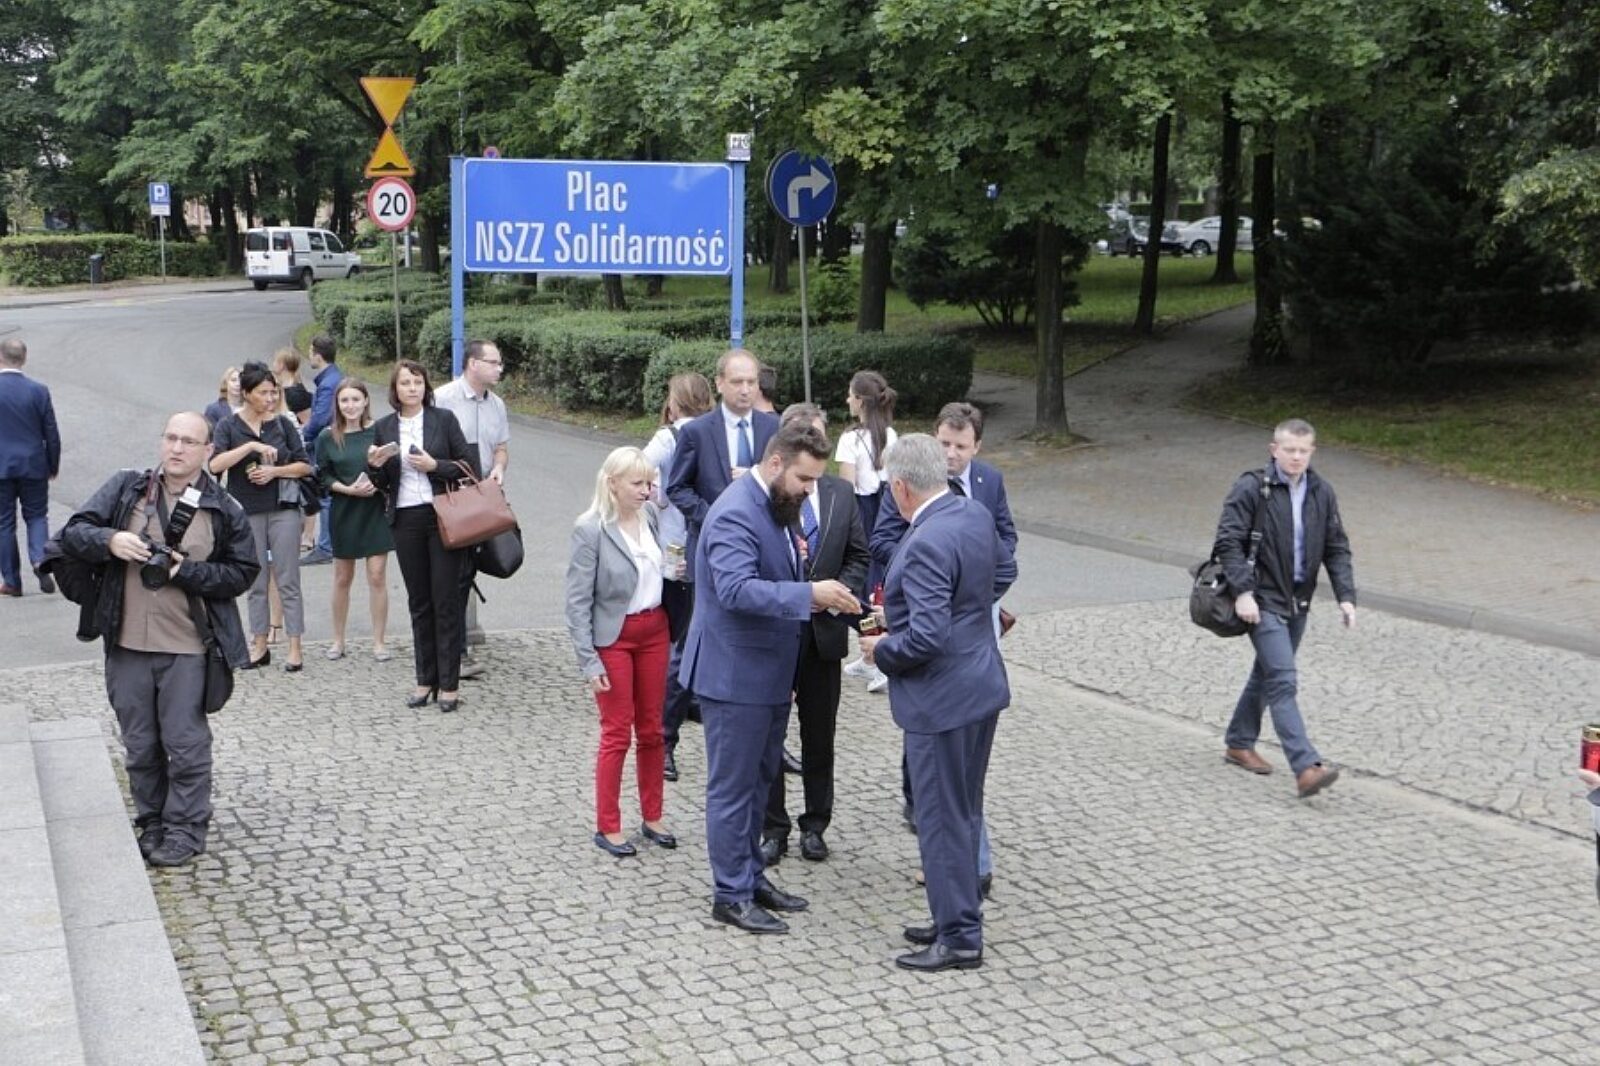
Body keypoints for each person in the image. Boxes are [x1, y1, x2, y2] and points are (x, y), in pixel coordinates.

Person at [681, 420, 861, 935]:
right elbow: (736, 590)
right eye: (804, 480)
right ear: (776, 463)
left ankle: (752, 876)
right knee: (733, 790)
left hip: (769, 675)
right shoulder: (735, 512)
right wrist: (810, 595)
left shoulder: (776, 505)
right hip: (734, 677)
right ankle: (730, 894)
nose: (809, 492)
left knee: (760, 785)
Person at [57, 412, 258, 867]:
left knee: (185, 744)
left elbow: (242, 572)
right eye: (171, 438)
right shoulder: (127, 488)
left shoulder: (224, 507)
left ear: (208, 451)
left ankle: (185, 828)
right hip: (126, 643)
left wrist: (186, 572)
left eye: (189, 441)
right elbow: (73, 533)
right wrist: (110, 540)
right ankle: (152, 820)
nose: (177, 448)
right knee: (140, 743)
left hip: (187, 646)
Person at [858, 433, 1015, 972]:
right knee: (963, 810)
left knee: (942, 817)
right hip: (980, 685)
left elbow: (925, 638)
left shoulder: (925, 540)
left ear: (901, 487)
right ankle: (955, 912)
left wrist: (882, 649)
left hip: (941, 701)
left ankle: (960, 939)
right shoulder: (971, 514)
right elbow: (1001, 574)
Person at [1215, 418, 1355, 798]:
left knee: (1267, 674)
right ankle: (1306, 766)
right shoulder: (1252, 487)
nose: (1296, 457)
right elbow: (1228, 542)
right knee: (1282, 680)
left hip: (1299, 601)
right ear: (1274, 449)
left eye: (1303, 451)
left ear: (1312, 452)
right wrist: (1243, 592)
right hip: (1262, 601)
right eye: (1289, 449)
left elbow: (1336, 547)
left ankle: (1239, 742)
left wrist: (1345, 596)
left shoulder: (1321, 492)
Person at [760, 404, 869, 866]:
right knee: (769, 733)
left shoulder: (841, 493)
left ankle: (815, 825)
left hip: (824, 636)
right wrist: (801, 595)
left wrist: (836, 593)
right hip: (776, 633)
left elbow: (860, 555)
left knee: (819, 734)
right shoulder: (771, 494)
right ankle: (773, 828)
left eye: (818, 436)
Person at [564, 446, 681, 857]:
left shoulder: (650, 516)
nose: (647, 490)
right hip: (614, 637)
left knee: (652, 729)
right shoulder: (590, 529)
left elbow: (659, 568)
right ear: (612, 483)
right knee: (617, 732)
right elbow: (577, 601)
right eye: (638, 483)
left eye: (649, 482)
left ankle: (653, 815)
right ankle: (608, 824)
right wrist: (588, 660)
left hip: (655, 631)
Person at [367, 359, 478, 713]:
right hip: (405, 517)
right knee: (419, 602)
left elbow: (469, 466)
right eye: (405, 383)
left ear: (426, 387)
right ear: (395, 390)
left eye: (417, 382)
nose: (412, 388)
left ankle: (449, 684)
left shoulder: (443, 420)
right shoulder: (384, 427)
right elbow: (380, 483)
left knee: (445, 599)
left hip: (442, 514)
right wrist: (374, 466)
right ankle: (424, 679)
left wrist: (435, 466)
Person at [209, 361, 313, 672]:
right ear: (247, 393)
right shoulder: (228, 425)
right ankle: (259, 644)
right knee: (255, 581)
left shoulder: (282, 424)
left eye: (273, 392)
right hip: (245, 512)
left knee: (288, 579)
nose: (270, 398)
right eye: (263, 392)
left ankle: (295, 646)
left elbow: (305, 466)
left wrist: (275, 472)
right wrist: (251, 446)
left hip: (283, 508)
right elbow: (215, 465)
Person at [641, 372, 714, 782]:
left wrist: (655, 494)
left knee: (679, 636)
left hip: (676, 544)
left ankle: (667, 729)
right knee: (684, 637)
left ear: (675, 401)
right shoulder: (703, 434)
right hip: (690, 544)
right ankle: (674, 714)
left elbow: (637, 466)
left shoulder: (670, 436)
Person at [433, 339, 511, 681]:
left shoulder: (497, 405)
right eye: (493, 362)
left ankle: (459, 644)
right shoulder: (443, 398)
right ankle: (454, 650)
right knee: (453, 573)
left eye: (499, 363)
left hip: (484, 494)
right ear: (472, 363)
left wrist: (499, 468)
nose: (499, 368)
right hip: (452, 495)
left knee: (484, 564)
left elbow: (501, 447)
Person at [666, 349, 780, 579]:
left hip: (763, 545)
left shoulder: (774, 428)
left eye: (752, 382)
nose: (745, 390)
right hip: (710, 546)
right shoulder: (696, 432)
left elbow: (788, 481)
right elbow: (677, 488)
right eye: (737, 382)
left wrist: (758, 477)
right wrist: (712, 517)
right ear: (719, 383)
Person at [314, 379, 393, 661]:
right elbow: (322, 475)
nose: (350, 406)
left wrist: (377, 481)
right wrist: (346, 489)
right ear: (337, 404)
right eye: (345, 400)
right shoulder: (327, 436)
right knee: (342, 577)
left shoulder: (379, 431)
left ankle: (379, 641)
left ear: (366, 401)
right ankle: (338, 640)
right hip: (344, 509)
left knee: (377, 575)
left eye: (355, 399)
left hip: (374, 509)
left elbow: (392, 469)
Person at [835, 370, 898, 686]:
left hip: (862, 514)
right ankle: (871, 654)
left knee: (859, 589)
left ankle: (879, 656)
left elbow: (847, 487)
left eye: (850, 394)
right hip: (887, 512)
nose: (847, 399)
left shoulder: (850, 439)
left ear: (860, 400)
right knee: (879, 585)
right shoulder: (891, 434)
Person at [0, 338, 61, 597]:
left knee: (4, 523)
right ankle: (39, 560)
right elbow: (51, 433)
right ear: (23, 359)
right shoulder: (39, 391)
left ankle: (12, 582)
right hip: (33, 465)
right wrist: (52, 464)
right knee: (37, 516)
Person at [300, 334, 344, 566]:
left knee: (326, 496)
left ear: (318, 355)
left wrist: (303, 436)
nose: (309, 356)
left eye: (310, 352)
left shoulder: (328, 384)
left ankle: (326, 547)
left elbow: (320, 419)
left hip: (326, 445)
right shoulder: (333, 377)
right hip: (333, 441)